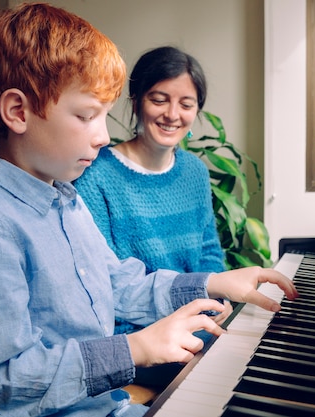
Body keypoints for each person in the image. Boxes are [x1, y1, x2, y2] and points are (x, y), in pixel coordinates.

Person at [0, 3, 298, 417]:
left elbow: (120, 285)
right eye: (87, 116)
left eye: (104, 116)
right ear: (19, 112)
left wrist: (214, 281)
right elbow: (4, 378)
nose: (103, 136)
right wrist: (137, 348)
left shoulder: (65, 202)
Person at [73, 46, 231, 334]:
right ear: (136, 103)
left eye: (186, 105)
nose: (172, 115)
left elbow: (210, 253)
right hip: (137, 335)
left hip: (198, 318)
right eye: (159, 100)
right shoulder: (95, 176)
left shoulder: (195, 172)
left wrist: (216, 298)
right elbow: (108, 282)